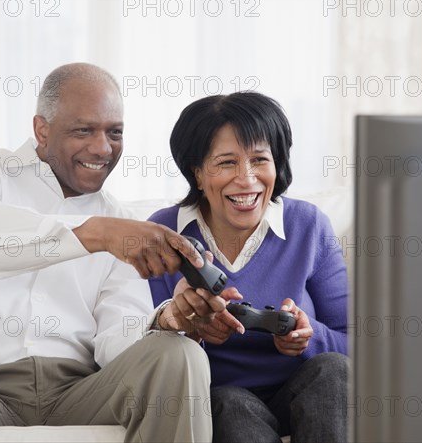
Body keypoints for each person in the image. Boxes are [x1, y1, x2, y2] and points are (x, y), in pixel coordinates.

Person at [0, 62, 243, 443]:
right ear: (42, 129)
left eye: (115, 133)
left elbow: (117, 338)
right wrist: (97, 234)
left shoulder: (121, 220)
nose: (103, 148)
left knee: (179, 355)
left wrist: (168, 322)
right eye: (84, 130)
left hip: (77, 392)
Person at [148, 92, 350, 443]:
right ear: (197, 173)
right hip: (222, 400)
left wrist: (307, 336)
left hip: (304, 395)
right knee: (230, 403)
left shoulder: (308, 225)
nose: (247, 178)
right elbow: (141, 351)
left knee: (333, 370)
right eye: (226, 163)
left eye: (259, 159)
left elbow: (357, 345)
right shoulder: (165, 235)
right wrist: (192, 330)